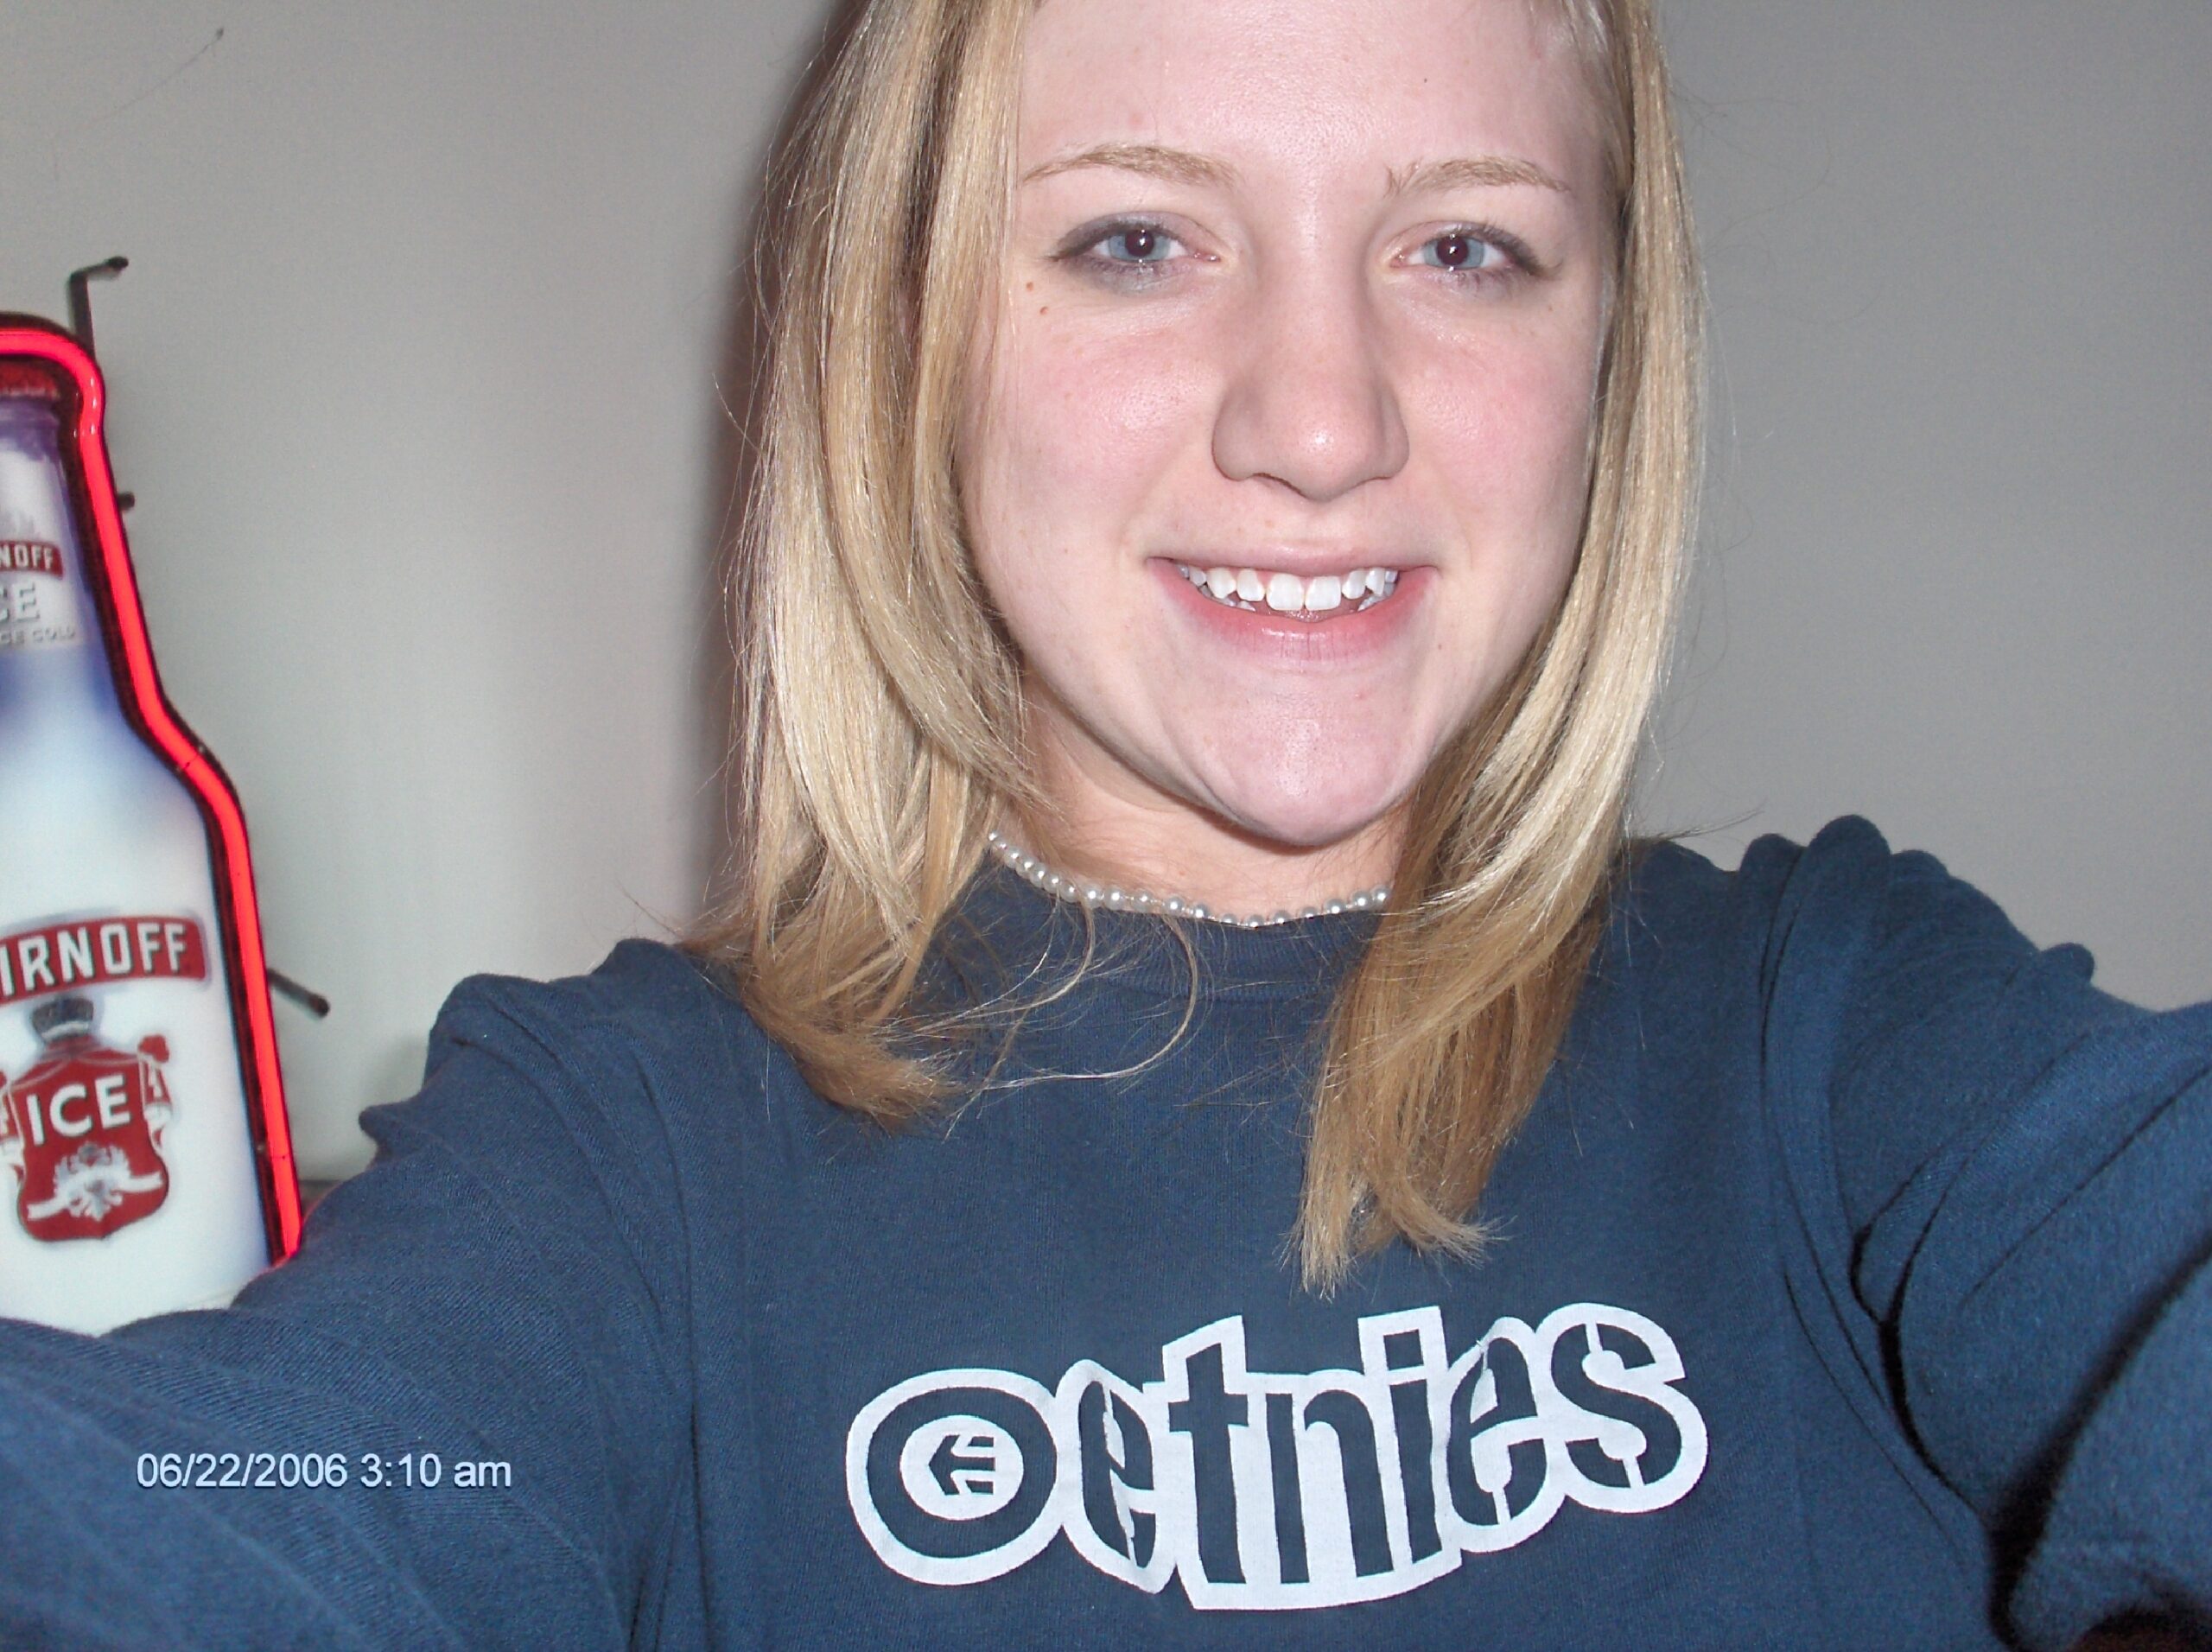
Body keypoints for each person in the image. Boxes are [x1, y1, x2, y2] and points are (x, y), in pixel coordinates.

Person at [2, 0, 2207, 1646]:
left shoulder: (1839, 1024)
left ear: (1612, 340)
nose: (1320, 422)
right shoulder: (618, 1154)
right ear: (909, 338)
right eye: (1137, 238)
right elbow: (235, 1510)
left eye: (1465, 247)